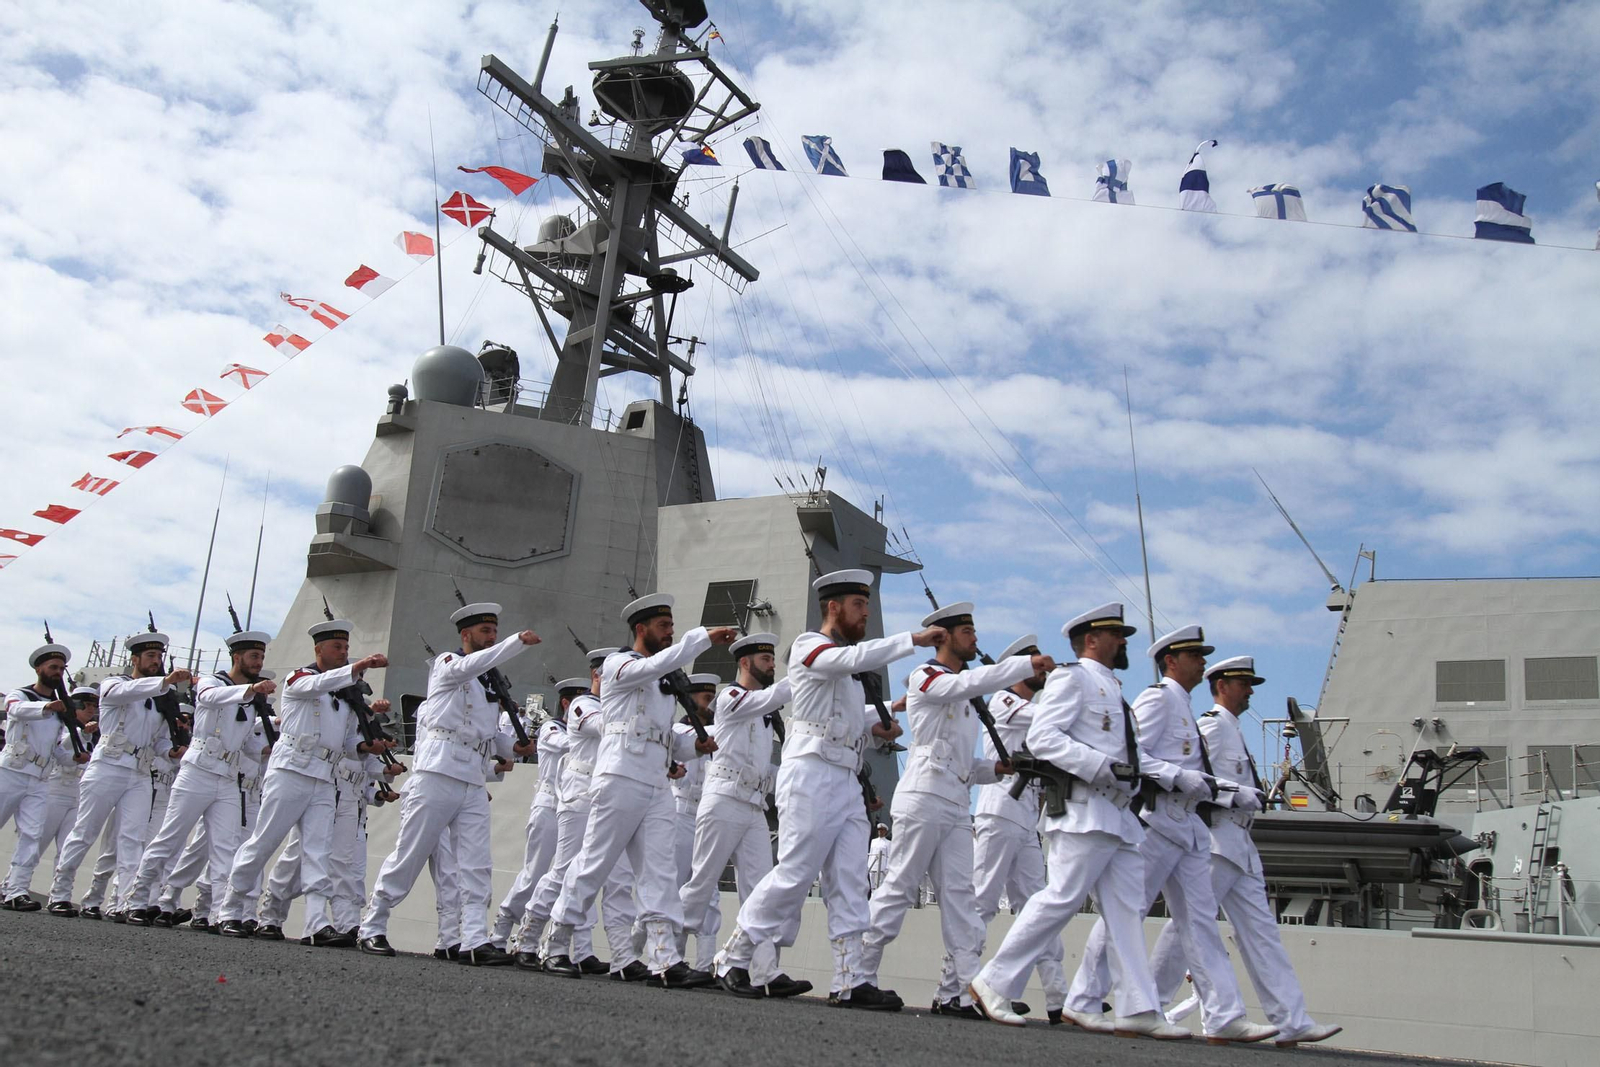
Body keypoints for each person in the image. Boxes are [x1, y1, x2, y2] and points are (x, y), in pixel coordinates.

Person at [714, 568, 940, 1008]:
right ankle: (733, 956)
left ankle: (851, 979)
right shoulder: (808, 646)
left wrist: (882, 722)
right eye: (859, 605)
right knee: (795, 872)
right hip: (811, 773)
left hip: (844, 778)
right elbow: (843, 662)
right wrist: (912, 639)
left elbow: (850, 722)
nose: (865, 613)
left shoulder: (850, 673)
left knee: (851, 882)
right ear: (833, 607)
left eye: (867, 605)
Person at [967, 603, 1188, 1039]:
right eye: (1116, 635)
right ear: (1091, 640)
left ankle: (1133, 1006)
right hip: (1084, 811)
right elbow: (1044, 738)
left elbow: (1128, 754)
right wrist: (1101, 767)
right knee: (1061, 897)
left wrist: (1160, 776)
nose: (1123, 641)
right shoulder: (1072, 678)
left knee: (1126, 911)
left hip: (1119, 816)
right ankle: (993, 981)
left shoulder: (1114, 689)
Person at [1062, 625, 1276, 1044]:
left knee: (1200, 921)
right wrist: (1180, 777)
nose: (1202, 663)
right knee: (1128, 912)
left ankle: (1224, 1016)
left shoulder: (1184, 706)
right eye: (1195, 656)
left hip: (1188, 826)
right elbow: (1133, 755)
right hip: (1157, 823)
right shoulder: (1158, 699)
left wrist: (1217, 789)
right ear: (1171, 661)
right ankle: (1084, 999)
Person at [859, 602, 1049, 1018]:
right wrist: (1021, 666)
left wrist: (993, 769)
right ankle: (857, 974)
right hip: (924, 798)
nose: (975, 639)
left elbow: (963, 764)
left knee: (962, 900)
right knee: (899, 888)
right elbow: (963, 685)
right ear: (943, 637)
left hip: (956, 804)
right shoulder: (926, 676)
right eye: (968, 632)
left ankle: (956, 993)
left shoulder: (966, 697)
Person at [1144, 656, 1343, 1048]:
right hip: (1217, 840)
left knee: (1261, 932)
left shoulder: (1232, 728)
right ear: (1221, 686)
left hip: (1242, 845)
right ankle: (1150, 1006)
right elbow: (1191, 776)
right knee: (1189, 926)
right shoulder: (1211, 726)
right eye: (1243, 684)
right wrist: (1234, 795)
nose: (1250, 691)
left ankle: (1291, 1020)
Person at [540, 593, 735, 986]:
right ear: (641, 629)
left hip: (656, 783)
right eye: (663, 627)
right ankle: (555, 943)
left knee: (659, 872)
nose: (670, 633)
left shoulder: (662, 684)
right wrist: (700, 639)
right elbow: (652, 668)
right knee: (593, 863)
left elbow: (664, 738)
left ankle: (664, 959)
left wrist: (694, 746)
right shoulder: (619, 665)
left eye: (672, 627)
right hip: (620, 777)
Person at [358, 602, 536, 963]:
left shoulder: (489, 682)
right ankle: (372, 925)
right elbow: (470, 668)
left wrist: (513, 747)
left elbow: (488, 736)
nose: (492, 637)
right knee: (409, 855)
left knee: (476, 864)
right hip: (437, 773)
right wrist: (516, 642)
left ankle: (473, 939)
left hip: (472, 779)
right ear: (466, 635)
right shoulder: (448, 664)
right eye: (485, 632)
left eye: (495, 632)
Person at [216, 617, 390, 938]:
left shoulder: (345, 699)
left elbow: (348, 743)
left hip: (324, 778)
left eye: (347, 648)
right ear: (319, 650)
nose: (344, 652)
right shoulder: (300, 678)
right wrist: (359, 666)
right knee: (264, 842)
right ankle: (230, 908)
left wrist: (366, 746)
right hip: (291, 772)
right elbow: (313, 686)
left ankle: (316, 922)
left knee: (317, 852)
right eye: (337, 647)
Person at [937, 633, 1068, 1022]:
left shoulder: (1030, 707)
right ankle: (953, 989)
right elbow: (1047, 719)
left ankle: (1058, 997)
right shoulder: (1004, 701)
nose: (1042, 672)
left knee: (1037, 907)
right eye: (1034, 665)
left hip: (1026, 815)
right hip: (1000, 809)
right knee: (982, 902)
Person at [678, 634, 807, 997]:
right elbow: (769, 697)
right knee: (701, 883)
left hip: (752, 805)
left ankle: (764, 971)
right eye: (765, 659)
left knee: (761, 891)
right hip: (722, 800)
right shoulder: (731, 698)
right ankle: (666, 957)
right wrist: (806, 671)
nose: (772, 664)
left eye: (773, 659)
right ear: (745, 663)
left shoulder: (766, 713)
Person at [125, 629, 276, 925]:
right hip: (198, 772)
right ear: (237, 658)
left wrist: (268, 749)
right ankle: (138, 900)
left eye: (261, 657)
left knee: (226, 848)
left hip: (227, 779)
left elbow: (245, 741)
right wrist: (249, 691)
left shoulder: (251, 699)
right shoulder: (213, 682)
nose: (259, 662)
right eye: (254, 656)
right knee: (169, 839)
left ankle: (223, 913)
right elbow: (208, 698)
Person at [517, 651, 640, 978]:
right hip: (580, 796)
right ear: (597, 676)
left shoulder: (620, 706)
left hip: (611, 796)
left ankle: (623, 957)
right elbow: (607, 728)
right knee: (564, 871)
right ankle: (527, 939)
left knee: (617, 878)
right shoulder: (583, 705)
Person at [47, 632, 186, 917]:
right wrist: (164, 683)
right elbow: (122, 693)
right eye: (150, 656)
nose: (156, 661)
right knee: (85, 832)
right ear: (134, 659)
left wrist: (170, 752)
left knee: (132, 839)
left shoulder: (159, 701)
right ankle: (59, 893)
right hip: (108, 766)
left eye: (159, 657)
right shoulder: (115, 684)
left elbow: (159, 740)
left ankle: (126, 903)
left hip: (139, 773)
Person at [1, 640, 87, 910]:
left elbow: (54, 749)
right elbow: (13, 709)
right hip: (11, 771)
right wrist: (47, 708)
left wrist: (73, 757)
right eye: (53, 667)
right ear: (39, 669)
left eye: (61, 668)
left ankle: (15, 891)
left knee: (32, 835)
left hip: (39, 778)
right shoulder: (23, 695)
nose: (58, 672)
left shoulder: (60, 709)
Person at [491, 690, 568, 950]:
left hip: (575, 809)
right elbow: (567, 744)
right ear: (567, 703)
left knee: (566, 878)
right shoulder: (552, 729)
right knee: (534, 874)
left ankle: (531, 937)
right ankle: (501, 929)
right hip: (549, 806)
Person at [670, 672, 721, 972]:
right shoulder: (678, 730)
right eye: (706, 698)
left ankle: (705, 965)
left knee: (709, 891)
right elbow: (687, 740)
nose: (711, 704)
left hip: (707, 815)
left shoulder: (717, 731)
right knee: (674, 886)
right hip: (680, 813)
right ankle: (670, 959)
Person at [866, 824, 891, 893]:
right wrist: (868, 865)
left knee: (880, 887)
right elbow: (871, 853)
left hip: (881, 868)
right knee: (872, 887)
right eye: (879, 830)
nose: (880, 831)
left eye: (882, 830)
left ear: (885, 831)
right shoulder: (873, 841)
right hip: (872, 866)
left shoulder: (888, 843)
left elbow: (889, 856)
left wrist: (886, 868)